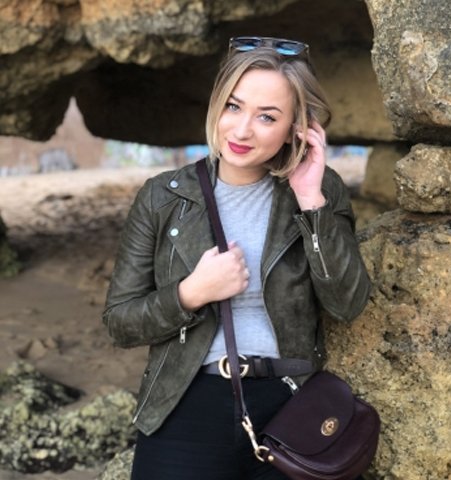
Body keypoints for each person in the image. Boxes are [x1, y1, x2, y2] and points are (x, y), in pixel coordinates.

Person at [103, 36, 371, 480]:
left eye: (267, 116)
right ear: (217, 105)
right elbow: (120, 321)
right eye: (233, 106)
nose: (242, 130)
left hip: (291, 403)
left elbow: (347, 304)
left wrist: (311, 202)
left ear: (296, 127)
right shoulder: (163, 196)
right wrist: (190, 294)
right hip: (187, 398)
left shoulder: (321, 190)